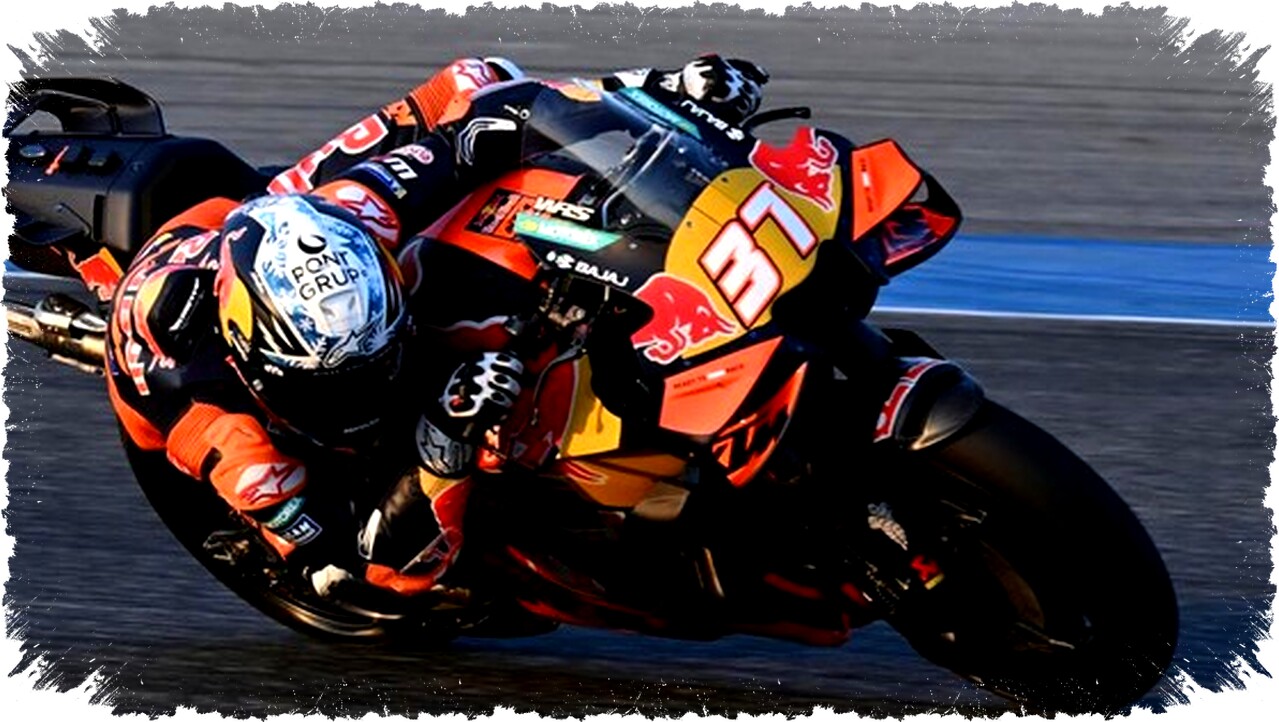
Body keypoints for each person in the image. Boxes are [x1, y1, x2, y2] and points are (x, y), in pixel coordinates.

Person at [105, 54, 772, 602]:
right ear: (258, 361)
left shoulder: (360, 210)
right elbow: (363, 564)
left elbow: (503, 117)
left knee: (476, 80)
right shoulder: (225, 435)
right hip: (215, 407)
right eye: (345, 381)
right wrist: (442, 436)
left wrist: (665, 93)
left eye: (378, 360)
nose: (375, 385)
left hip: (257, 220)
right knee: (370, 577)